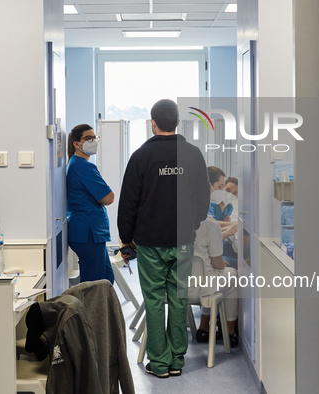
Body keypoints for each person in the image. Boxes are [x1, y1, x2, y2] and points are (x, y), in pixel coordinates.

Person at [117, 99, 210, 379]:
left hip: (149, 242)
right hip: (182, 239)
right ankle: (177, 361)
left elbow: (128, 202)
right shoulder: (193, 154)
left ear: (153, 123)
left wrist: (126, 239)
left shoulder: (141, 157)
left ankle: (159, 364)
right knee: (179, 298)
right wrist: (193, 224)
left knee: (155, 300)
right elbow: (203, 198)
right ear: (178, 122)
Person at [192, 181, 239, 348]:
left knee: (208, 278)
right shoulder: (210, 225)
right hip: (204, 286)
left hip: (179, 285)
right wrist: (221, 266)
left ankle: (203, 328)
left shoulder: (177, 221)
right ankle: (230, 332)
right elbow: (217, 262)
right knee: (232, 276)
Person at [66, 124, 115, 284]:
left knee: (106, 279)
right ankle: (91, 310)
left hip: (90, 232)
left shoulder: (75, 164)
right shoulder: (82, 167)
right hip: (89, 233)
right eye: (88, 138)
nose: (93, 141)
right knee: (94, 285)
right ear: (76, 144)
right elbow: (108, 198)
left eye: (94, 138)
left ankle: (102, 310)